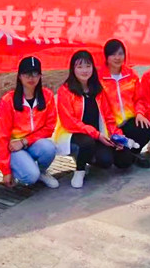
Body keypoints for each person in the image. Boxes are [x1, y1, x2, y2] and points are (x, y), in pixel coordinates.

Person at [54, 50, 133, 188]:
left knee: (122, 159)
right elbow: (69, 121)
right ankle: (80, 169)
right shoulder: (65, 91)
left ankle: (90, 156)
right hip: (73, 133)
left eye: (88, 66)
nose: (84, 70)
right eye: (80, 67)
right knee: (87, 143)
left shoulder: (97, 89)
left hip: (98, 134)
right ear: (73, 69)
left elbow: (108, 116)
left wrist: (117, 136)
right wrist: (96, 134)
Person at [0, 56, 60, 189]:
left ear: (40, 76)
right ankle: (18, 169)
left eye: (35, 73)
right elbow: (2, 136)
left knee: (49, 148)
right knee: (30, 176)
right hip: (13, 148)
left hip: (32, 143)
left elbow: (49, 127)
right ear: (19, 76)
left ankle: (42, 172)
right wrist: (5, 171)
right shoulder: (8, 100)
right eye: (27, 74)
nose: (31, 78)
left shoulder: (47, 96)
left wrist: (25, 141)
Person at [98, 39, 150, 169]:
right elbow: (101, 109)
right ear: (106, 57)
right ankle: (127, 154)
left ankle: (133, 152)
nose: (117, 58)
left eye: (120, 54)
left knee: (145, 127)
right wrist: (114, 133)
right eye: (113, 54)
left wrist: (139, 113)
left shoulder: (131, 74)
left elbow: (139, 98)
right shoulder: (99, 78)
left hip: (129, 123)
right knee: (123, 163)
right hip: (109, 127)